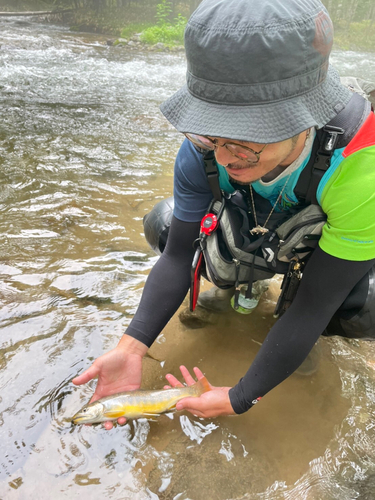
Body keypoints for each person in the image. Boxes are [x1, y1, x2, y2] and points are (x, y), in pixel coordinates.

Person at [72, 0, 375, 429]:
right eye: (212, 133)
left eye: (247, 139)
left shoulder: (361, 165)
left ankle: (290, 325)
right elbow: (177, 257)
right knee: (164, 222)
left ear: (305, 118)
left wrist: (241, 396)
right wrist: (132, 345)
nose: (225, 156)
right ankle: (234, 283)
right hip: (252, 228)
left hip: (317, 251)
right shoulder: (202, 150)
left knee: (365, 302)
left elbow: (316, 305)